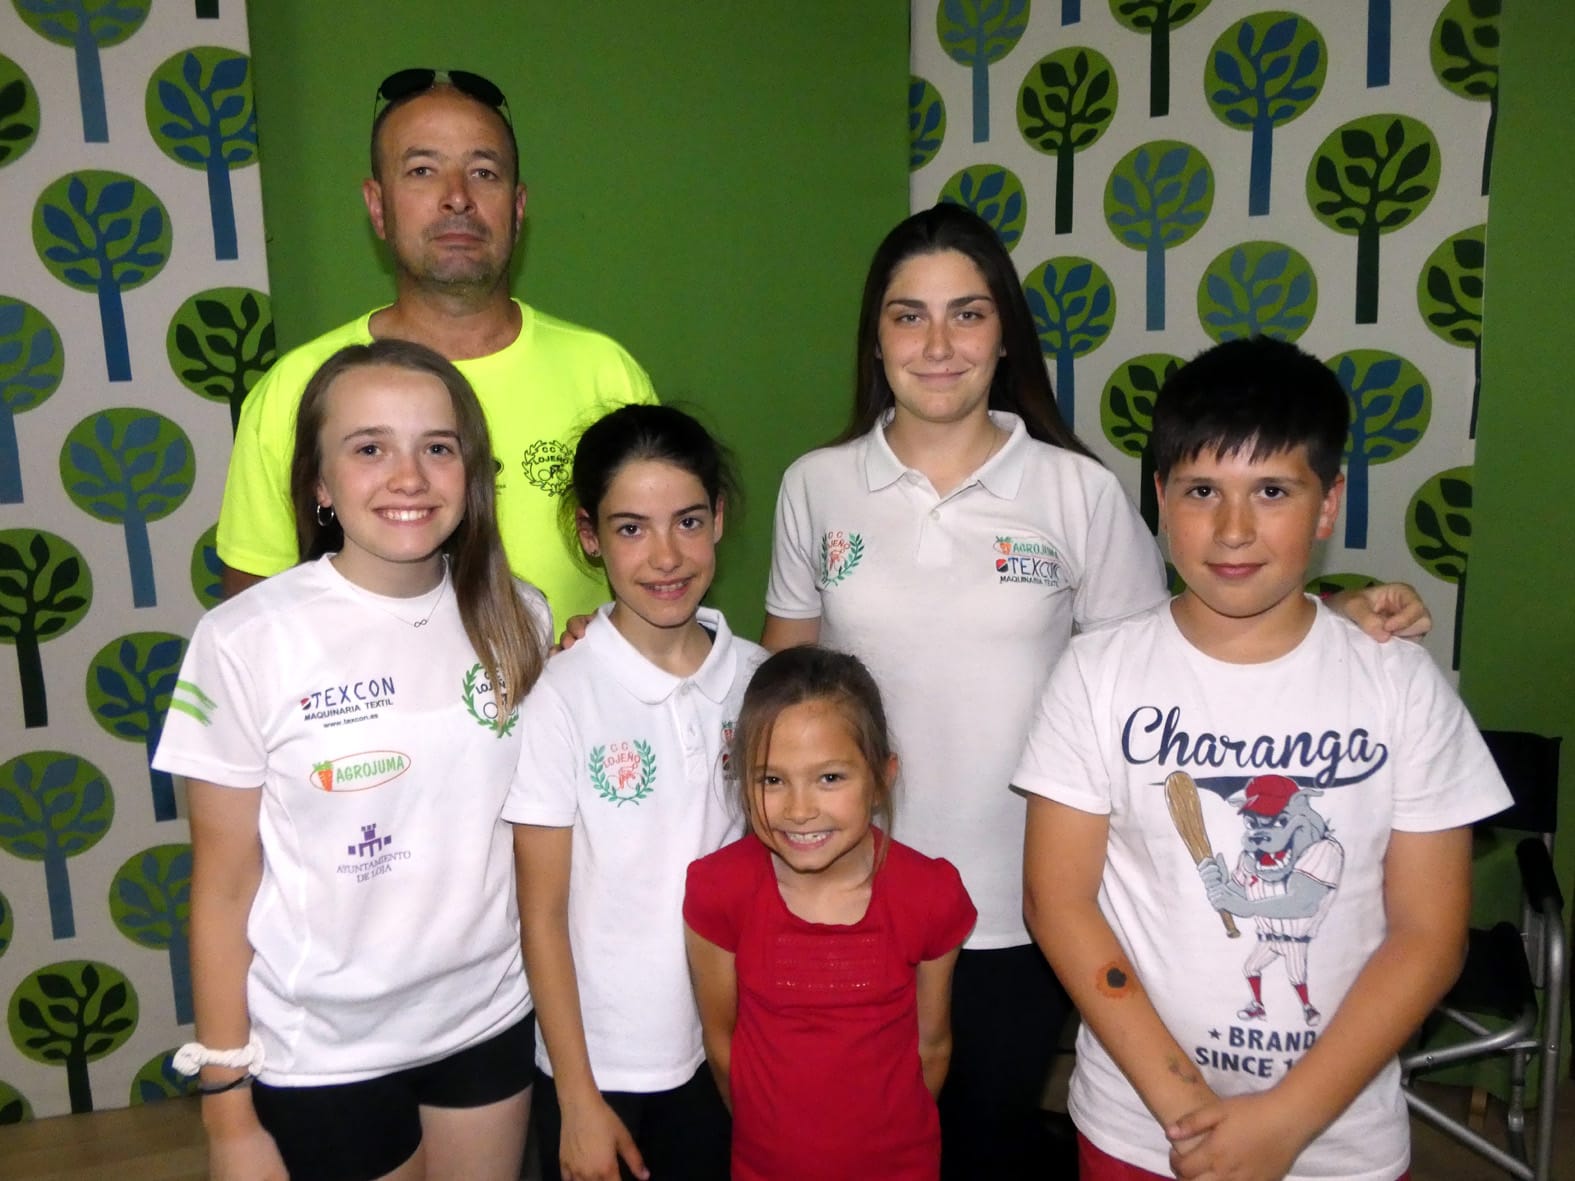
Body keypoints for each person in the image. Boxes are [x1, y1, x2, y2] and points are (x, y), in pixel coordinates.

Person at [760, 203, 1432, 1178]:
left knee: (984, 1142)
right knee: (847, 1141)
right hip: (847, 890)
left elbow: (1175, 664)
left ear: (1005, 335)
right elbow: (782, 700)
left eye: (968, 313)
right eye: (909, 315)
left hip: (1030, 904)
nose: (938, 344)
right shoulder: (815, 486)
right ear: (877, 336)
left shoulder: (1075, 490)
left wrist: (1339, 611)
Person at [1015, 336, 1510, 1181]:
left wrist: (1284, 1121)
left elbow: (1427, 935)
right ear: (1162, 498)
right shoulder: (1097, 673)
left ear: (1327, 504)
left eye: (1271, 491)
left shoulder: (1395, 682)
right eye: (1202, 490)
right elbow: (1057, 901)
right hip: (1141, 1126)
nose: (1233, 529)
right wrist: (1184, 1108)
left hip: (1335, 1137)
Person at [154, 339, 551, 1181]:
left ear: (470, 473)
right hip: (322, 1046)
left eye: (436, 447)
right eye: (369, 447)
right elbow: (223, 883)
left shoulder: (523, 617)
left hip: (486, 1018)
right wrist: (227, 1108)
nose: (407, 476)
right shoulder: (245, 639)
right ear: (320, 485)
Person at [218, 67, 655, 624]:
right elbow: (252, 627)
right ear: (377, 206)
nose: (457, 198)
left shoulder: (607, 376)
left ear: (518, 208)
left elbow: (663, 578)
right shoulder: (298, 388)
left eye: (483, 172)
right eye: (423, 170)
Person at [506, 405, 767, 1181]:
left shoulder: (758, 681)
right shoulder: (561, 695)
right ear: (588, 534)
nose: (664, 556)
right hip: (601, 1063)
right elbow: (541, 913)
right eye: (630, 528)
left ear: (718, 517)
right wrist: (579, 1098)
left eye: (687, 520)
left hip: (733, 1046)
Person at [684, 645, 977, 1181]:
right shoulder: (718, 890)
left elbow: (931, 1048)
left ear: (882, 775)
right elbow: (722, 1044)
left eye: (830, 779)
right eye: (771, 780)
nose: (799, 810)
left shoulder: (929, 895)